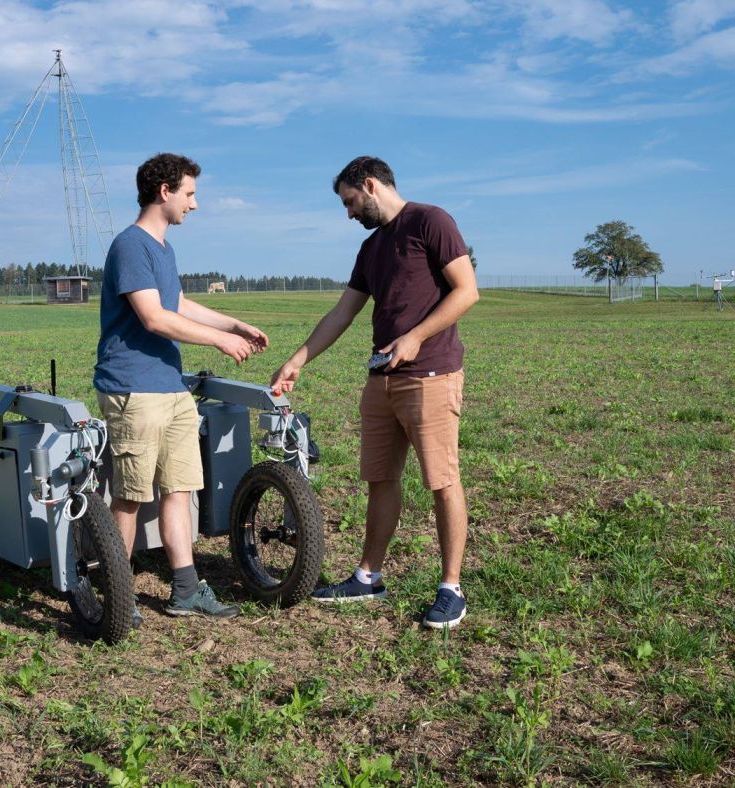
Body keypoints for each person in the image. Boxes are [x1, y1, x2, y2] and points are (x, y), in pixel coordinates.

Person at [270, 156, 479, 629]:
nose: (348, 214)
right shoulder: (371, 249)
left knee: (442, 480)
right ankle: (368, 576)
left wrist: (416, 337)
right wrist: (298, 358)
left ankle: (451, 587)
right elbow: (342, 313)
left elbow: (466, 291)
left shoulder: (430, 221)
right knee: (380, 479)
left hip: (430, 375)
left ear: (370, 185)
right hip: (381, 380)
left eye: (349, 202)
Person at [96, 152, 270, 624]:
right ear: (164, 191)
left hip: (169, 388)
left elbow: (177, 303)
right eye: (189, 194)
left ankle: (187, 591)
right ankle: (119, 593)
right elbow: (153, 317)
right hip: (134, 389)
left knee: (178, 490)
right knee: (130, 495)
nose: (194, 204)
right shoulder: (130, 246)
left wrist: (234, 322)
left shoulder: (162, 249)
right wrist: (218, 339)